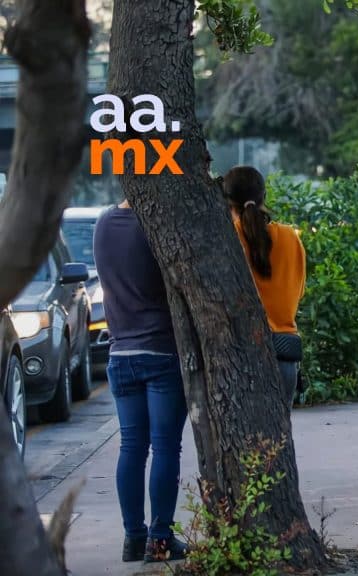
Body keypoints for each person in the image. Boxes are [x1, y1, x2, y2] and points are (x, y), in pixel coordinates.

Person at [94, 200, 188, 563]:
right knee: (166, 447)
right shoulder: (158, 225)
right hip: (161, 351)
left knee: (132, 447)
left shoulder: (103, 224)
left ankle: (133, 537)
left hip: (120, 354)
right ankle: (160, 539)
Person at [222, 166, 307, 398]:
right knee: (280, 434)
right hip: (283, 353)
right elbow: (298, 292)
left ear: (226, 202)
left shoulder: (226, 240)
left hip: (241, 354)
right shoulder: (290, 237)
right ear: (264, 196)